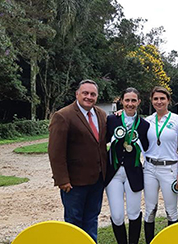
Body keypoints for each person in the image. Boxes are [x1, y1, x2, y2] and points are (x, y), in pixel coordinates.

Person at [48, 79, 107, 242]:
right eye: (85, 93)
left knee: (92, 219)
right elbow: (55, 152)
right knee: (74, 222)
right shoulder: (63, 116)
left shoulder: (101, 115)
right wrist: (62, 180)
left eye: (93, 94)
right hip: (74, 183)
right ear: (77, 94)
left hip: (97, 180)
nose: (89, 97)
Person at [143, 86, 178, 244]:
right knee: (150, 210)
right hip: (149, 168)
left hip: (169, 168)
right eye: (156, 98)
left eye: (162, 98)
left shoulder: (177, 119)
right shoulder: (147, 121)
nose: (159, 101)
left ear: (168, 100)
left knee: (171, 211)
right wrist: (119, 113)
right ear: (152, 100)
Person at [105, 88, 150, 244]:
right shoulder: (111, 120)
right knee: (117, 215)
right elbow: (102, 142)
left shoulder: (144, 125)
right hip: (113, 174)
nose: (130, 104)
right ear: (122, 102)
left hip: (134, 173)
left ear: (138, 102)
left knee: (133, 213)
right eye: (127, 100)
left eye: (133, 100)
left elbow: (148, 148)